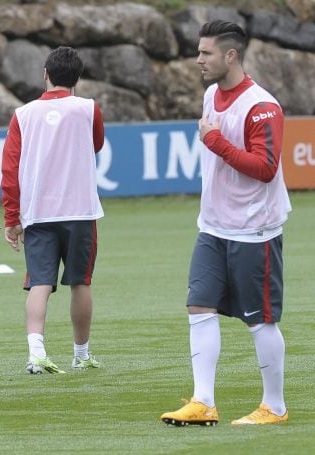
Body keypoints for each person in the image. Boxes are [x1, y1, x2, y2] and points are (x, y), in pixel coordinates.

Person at [160, 20, 290, 426]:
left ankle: (275, 407)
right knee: (199, 305)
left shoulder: (262, 106)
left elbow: (265, 168)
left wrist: (215, 141)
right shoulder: (211, 95)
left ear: (230, 55)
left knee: (260, 320)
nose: (198, 59)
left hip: (254, 231)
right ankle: (203, 402)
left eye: (206, 52)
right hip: (213, 228)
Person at [0, 46, 105, 375]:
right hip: (80, 211)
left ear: (45, 74)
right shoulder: (88, 108)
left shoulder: (23, 114)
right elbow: (96, 144)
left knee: (39, 283)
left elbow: (9, 169)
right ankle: (81, 355)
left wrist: (12, 218)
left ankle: (36, 353)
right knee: (81, 283)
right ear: (77, 79)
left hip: (38, 212)